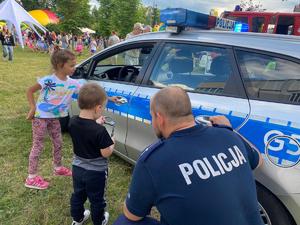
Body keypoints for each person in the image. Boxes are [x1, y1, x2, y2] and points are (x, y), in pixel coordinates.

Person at [113, 86, 264, 225]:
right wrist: (229, 129)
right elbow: (258, 161)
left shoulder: (154, 159)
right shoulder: (229, 135)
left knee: (124, 222)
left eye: (152, 116)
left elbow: (132, 215)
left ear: (159, 118)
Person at [25, 49, 80, 190]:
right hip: (40, 118)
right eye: (72, 65)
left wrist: (109, 98)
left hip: (54, 118)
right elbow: (30, 90)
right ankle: (31, 177)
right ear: (61, 65)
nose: (75, 68)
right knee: (38, 145)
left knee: (58, 142)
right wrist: (32, 108)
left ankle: (58, 167)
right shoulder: (48, 81)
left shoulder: (72, 83)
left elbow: (88, 91)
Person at [69, 83, 115, 225]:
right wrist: (112, 142)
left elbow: (86, 129)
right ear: (98, 107)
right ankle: (99, 221)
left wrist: (96, 122)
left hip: (77, 169)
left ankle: (77, 219)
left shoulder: (72, 121)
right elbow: (106, 153)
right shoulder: (100, 131)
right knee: (97, 200)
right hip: (96, 173)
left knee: (78, 195)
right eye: (103, 107)